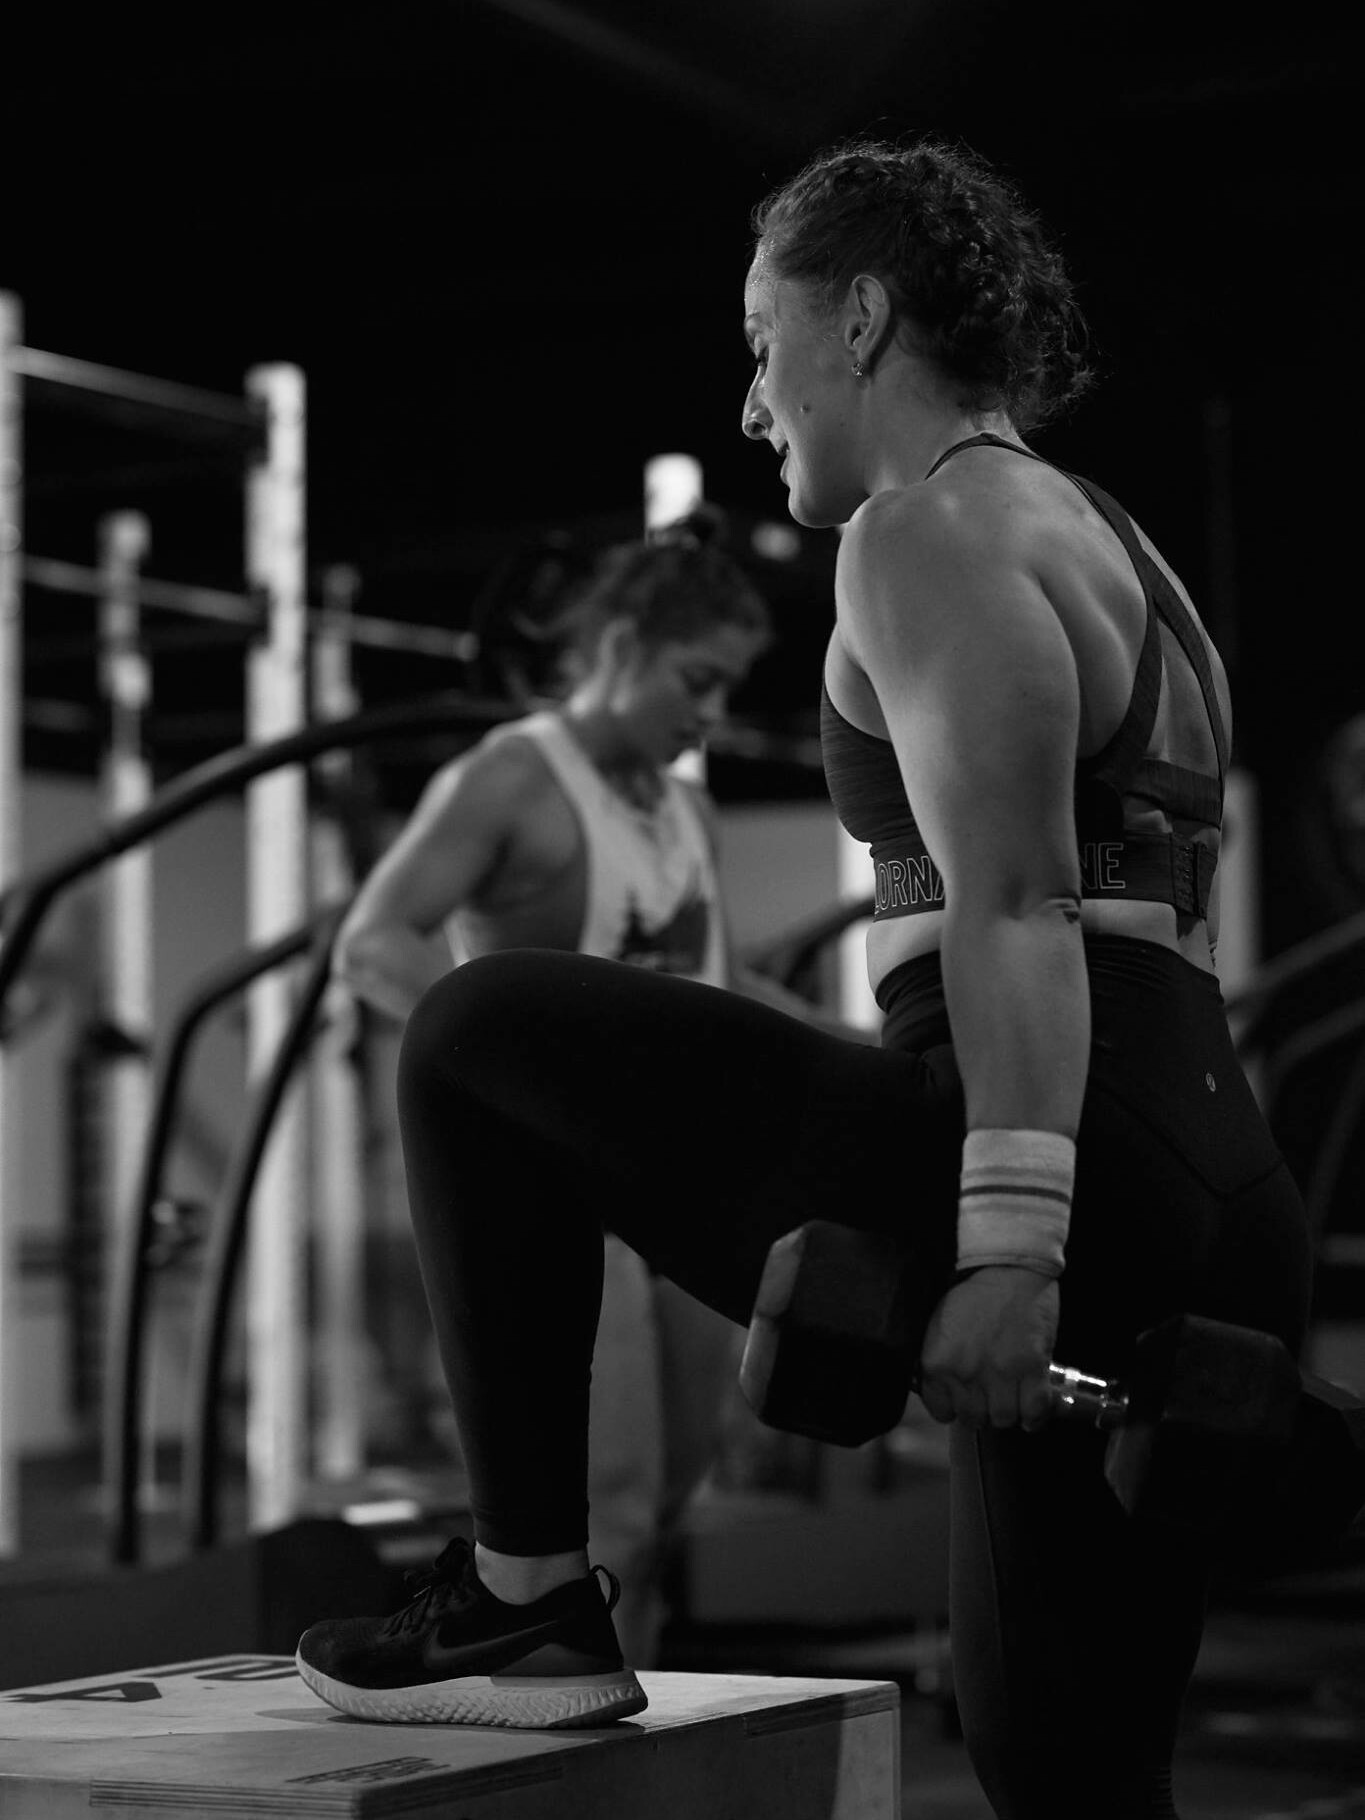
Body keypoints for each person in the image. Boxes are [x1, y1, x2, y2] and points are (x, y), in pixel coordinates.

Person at [297, 136, 1311, 1815]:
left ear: (858, 319)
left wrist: (1007, 1246)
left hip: (1052, 1137)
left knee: (476, 1034)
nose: (755, 404)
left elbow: (1014, 906)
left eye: (763, 347)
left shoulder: (923, 529)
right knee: (1068, 1764)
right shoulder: (1109, 535)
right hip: (1215, 1171)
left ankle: (532, 1596)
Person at [328, 521, 851, 1668]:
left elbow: (719, 983)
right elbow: (373, 943)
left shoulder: (685, 811)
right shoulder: (515, 777)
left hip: (686, 1191)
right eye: (694, 681)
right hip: (575, 1199)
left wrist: (861, 1050)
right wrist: (494, 1068)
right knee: (598, 1505)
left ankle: (626, 1734)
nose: (707, 716)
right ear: (622, 643)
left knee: (664, 1511)